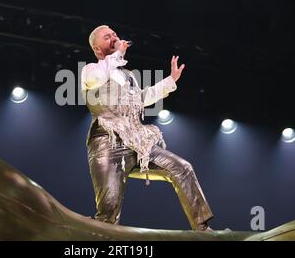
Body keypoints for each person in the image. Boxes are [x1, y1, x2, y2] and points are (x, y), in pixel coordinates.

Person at [81, 25, 214, 231]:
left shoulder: (128, 75)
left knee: (183, 168)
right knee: (108, 212)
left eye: (114, 34)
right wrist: (117, 54)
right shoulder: (90, 70)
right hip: (107, 144)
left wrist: (171, 81)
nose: (114, 38)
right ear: (98, 50)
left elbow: (142, 98)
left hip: (137, 143)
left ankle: (203, 229)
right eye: (107, 37)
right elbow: (98, 77)